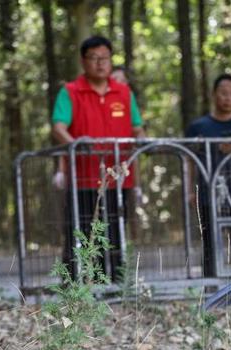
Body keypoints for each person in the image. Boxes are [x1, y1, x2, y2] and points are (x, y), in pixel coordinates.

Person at [51, 35, 145, 281]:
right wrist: (76, 147)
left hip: (119, 178)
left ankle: (113, 284)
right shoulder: (70, 92)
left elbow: (137, 127)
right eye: (94, 58)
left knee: (114, 232)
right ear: (84, 61)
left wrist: (142, 140)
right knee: (78, 232)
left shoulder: (124, 92)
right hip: (82, 178)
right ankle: (72, 286)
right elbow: (59, 127)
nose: (100, 63)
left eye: (104, 58)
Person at [185, 73, 231, 276]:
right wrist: (190, 191)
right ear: (214, 94)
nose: (228, 98)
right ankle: (211, 287)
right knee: (210, 242)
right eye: (223, 93)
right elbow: (189, 161)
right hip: (208, 192)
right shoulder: (198, 127)